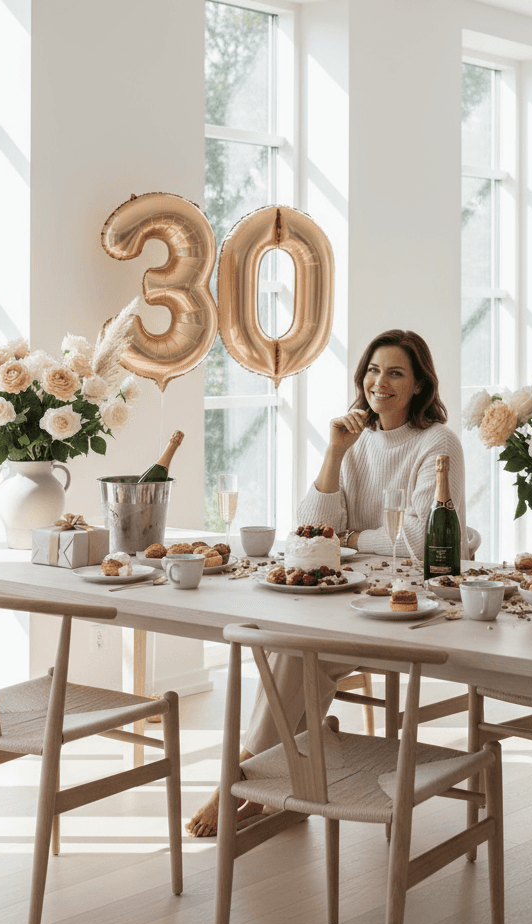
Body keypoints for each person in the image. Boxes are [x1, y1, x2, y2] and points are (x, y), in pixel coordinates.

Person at [186, 328, 468, 837]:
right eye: (373, 370)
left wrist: (354, 536)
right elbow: (311, 530)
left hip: (409, 606)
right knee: (288, 648)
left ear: (420, 386)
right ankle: (286, 783)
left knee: (295, 653)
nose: (379, 382)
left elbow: (423, 539)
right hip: (347, 597)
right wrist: (336, 454)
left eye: (396, 373)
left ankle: (240, 776)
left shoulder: (437, 442)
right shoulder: (354, 440)